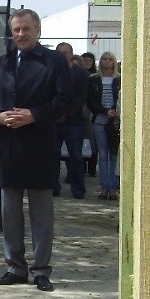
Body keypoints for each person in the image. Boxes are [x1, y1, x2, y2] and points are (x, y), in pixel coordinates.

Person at [0, 8, 72, 293]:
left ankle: (41, 269)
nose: (21, 34)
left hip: (41, 144)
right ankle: (15, 267)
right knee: (9, 212)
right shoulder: (2, 64)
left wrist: (34, 114)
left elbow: (65, 101)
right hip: (9, 147)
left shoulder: (55, 61)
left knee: (41, 213)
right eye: (16, 30)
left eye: (26, 29)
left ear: (37, 31)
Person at [53, 42, 89, 199]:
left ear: (71, 54)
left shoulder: (80, 73)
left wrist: (66, 114)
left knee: (76, 156)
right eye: (59, 52)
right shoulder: (50, 72)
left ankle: (78, 189)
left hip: (73, 121)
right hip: (53, 121)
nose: (62, 55)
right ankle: (53, 188)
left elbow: (81, 98)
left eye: (65, 52)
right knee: (52, 156)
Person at [87, 51, 121, 200]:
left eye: (110, 60)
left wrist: (114, 111)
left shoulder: (120, 79)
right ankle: (103, 187)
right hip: (99, 120)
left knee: (114, 154)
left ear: (114, 62)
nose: (107, 62)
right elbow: (90, 101)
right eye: (104, 59)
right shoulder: (93, 79)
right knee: (102, 155)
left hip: (115, 121)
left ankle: (113, 188)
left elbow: (122, 98)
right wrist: (104, 111)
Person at [81, 51, 98, 176]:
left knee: (93, 142)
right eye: (85, 60)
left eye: (90, 61)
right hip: (80, 111)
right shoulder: (78, 74)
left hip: (93, 112)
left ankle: (92, 169)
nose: (87, 62)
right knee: (81, 142)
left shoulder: (96, 77)